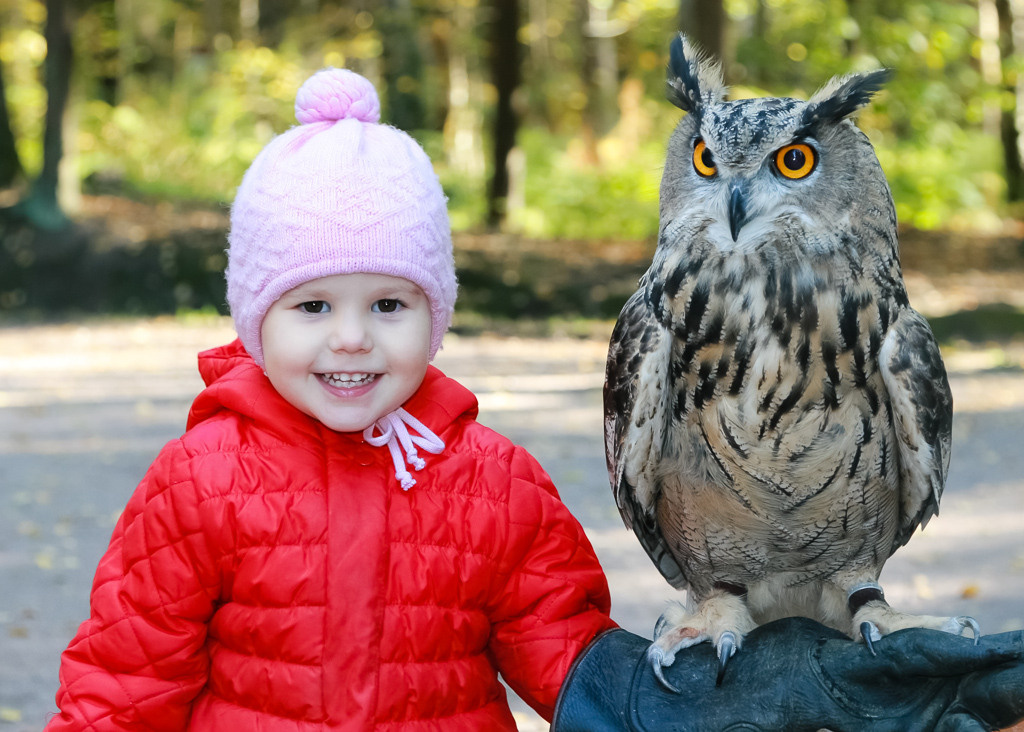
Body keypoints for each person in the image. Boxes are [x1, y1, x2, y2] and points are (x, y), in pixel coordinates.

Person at [46, 67, 1024, 732]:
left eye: (389, 303)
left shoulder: (492, 484)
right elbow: (122, 680)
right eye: (310, 305)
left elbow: (563, 652)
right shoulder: (198, 479)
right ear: (254, 318)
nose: (350, 337)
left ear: (436, 317)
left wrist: (681, 704)